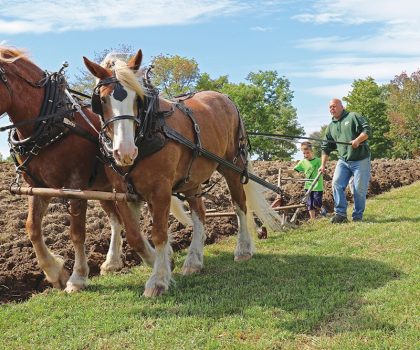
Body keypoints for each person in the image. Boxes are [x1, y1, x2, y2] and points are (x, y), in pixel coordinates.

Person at [320, 98, 371, 223]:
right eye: (330, 107)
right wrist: (322, 165)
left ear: (341, 106)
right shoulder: (331, 126)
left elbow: (367, 131)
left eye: (334, 106)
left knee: (359, 189)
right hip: (343, 160)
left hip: (360, 159)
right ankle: (341, 214)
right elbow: (326, 148)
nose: (332, 109)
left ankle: (357, 216)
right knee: (336, 184)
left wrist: (358, 140)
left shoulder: (353, 116)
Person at [294, 141, 326, 220]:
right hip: (307, 186)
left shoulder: (318, 161)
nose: (305, 155)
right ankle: (313, 220)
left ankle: (322, 211)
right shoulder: (303, 162)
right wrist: (285, 171)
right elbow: (295, 170)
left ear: (312, 151)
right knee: (310, 204)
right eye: (304, 153)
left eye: (307, 153)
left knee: (317, 203)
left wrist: (323, 169)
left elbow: (324, 168)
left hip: (317, 186)